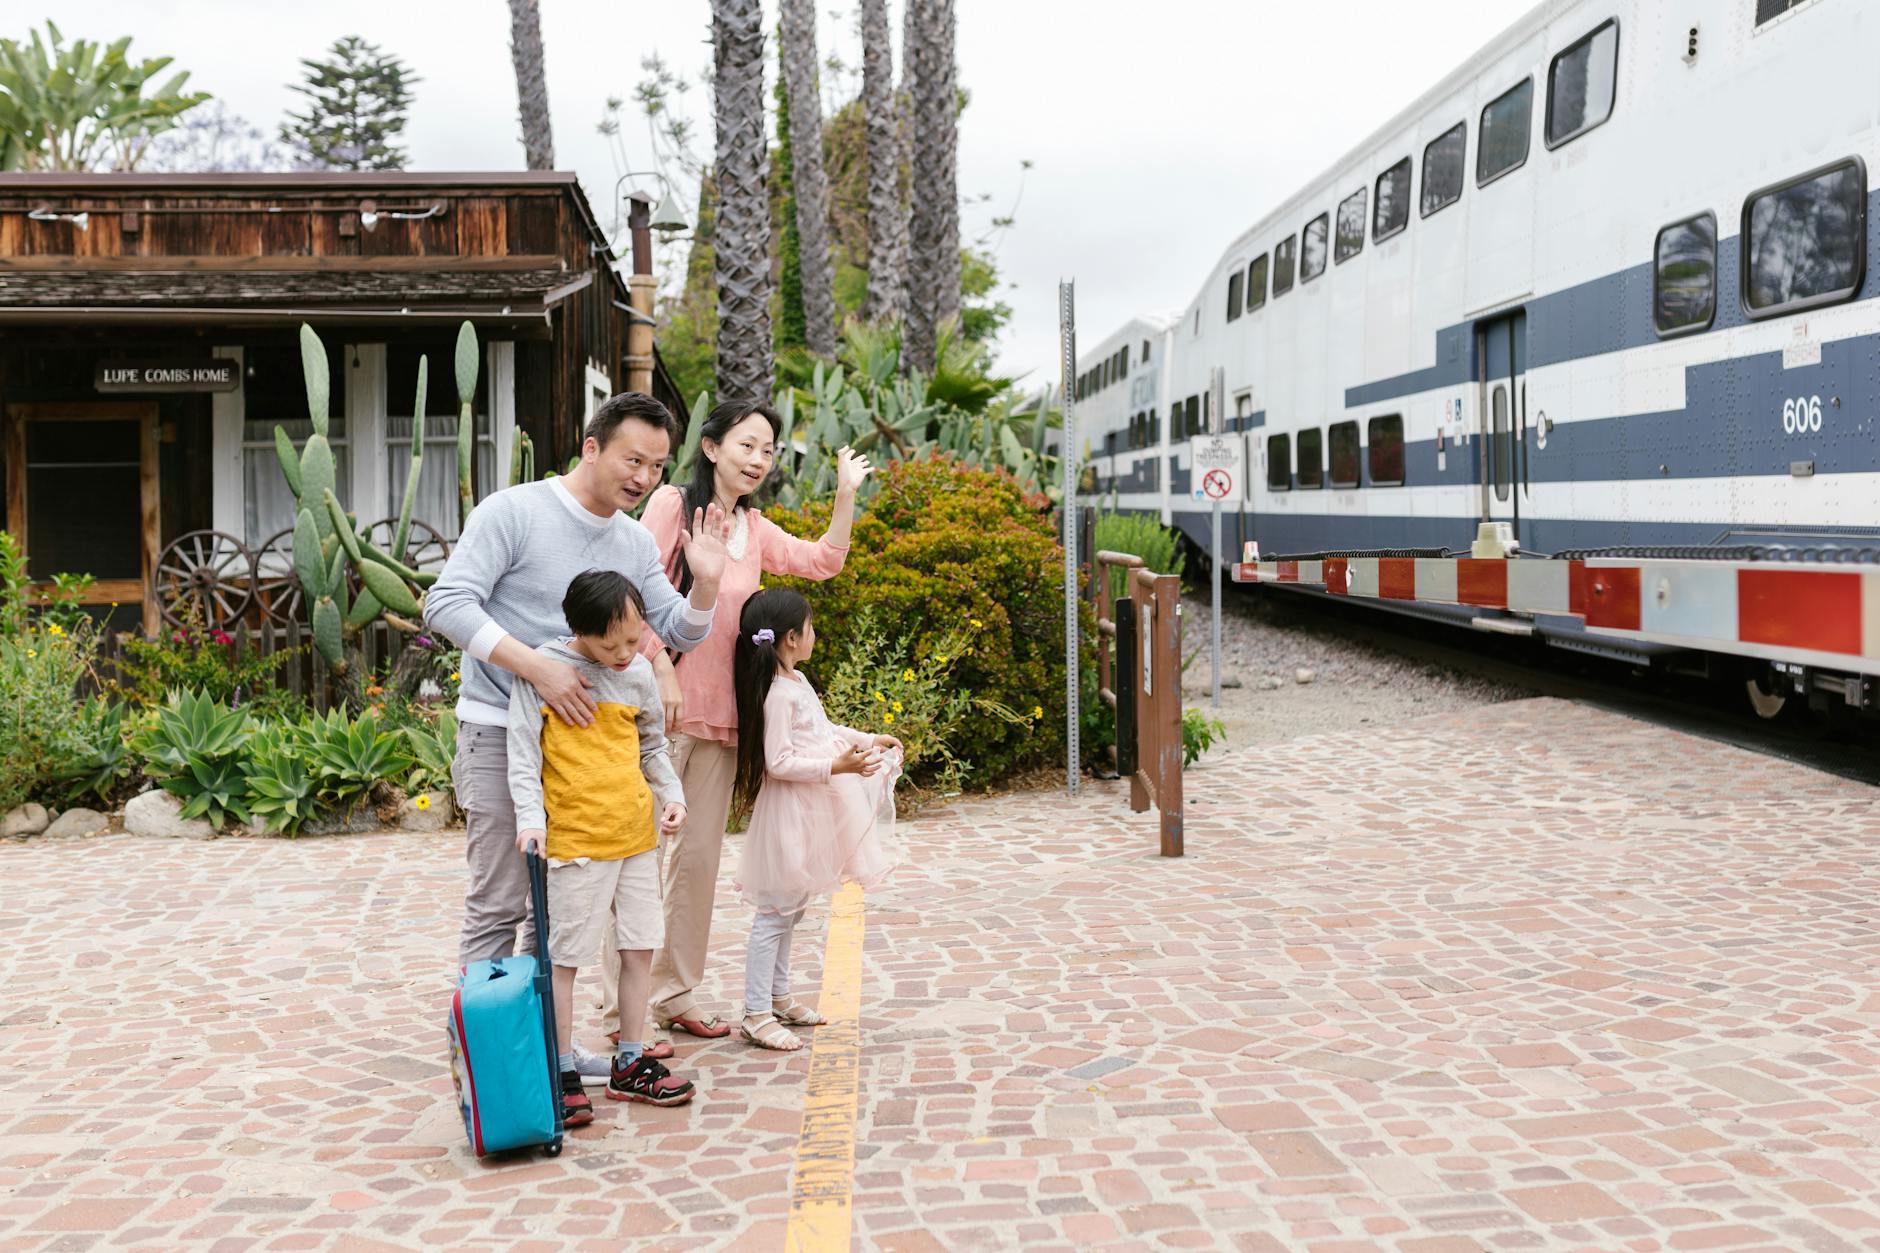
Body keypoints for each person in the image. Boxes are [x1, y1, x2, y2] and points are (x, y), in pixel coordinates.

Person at [425, 392, 730, 1084]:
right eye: (633, 459)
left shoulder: (629, 541)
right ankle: (484, 1058)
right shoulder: (513, 511)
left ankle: (544, 1057)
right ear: (591, 447)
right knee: (500, 900)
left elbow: (677, 631)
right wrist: (539, 667)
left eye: (656, 466)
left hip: (591, 756)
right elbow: (444, 602)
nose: (644, 477)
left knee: (550, 912)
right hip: (503, 730)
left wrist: (706, 584)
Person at [604, 401, 869, 1045]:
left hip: (725, 719)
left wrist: (844, 494)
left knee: (695, 866)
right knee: (642, 862)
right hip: (661, 712)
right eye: (747, 445)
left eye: (768, 450)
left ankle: (675, 993)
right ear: (713, 447)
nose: (758, 459)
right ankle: (623, 1014)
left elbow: (824, 561)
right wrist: (659, 665)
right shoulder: (672, 505)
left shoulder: (754, 527)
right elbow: (629, 588)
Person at [509, 571, 694, 1125]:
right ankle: (563, 1070)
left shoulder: (637, 672)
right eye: (608, 644)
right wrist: (529, 821)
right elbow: (523, 754)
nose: (623, 654)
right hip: (576, 842)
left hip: (636, 837)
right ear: (577, 630)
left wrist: (673, 795)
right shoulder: (544, 672)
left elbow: (653, 747)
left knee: (638, 950)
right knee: (564, 961)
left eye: (633, 640)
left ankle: (631, 1063)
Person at [730, 588, 901, 1051]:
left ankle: (779, 996)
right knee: (774, 913)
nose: (814, 634)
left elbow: (823, 732)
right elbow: (778, 762)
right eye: (810, 627)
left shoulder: (797, 683)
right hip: (791, 813)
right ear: (789, 638)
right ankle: (755, 1011)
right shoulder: (778, 695)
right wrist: (838, 767)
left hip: (812, 810)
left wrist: (865, 738)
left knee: (794, 907)